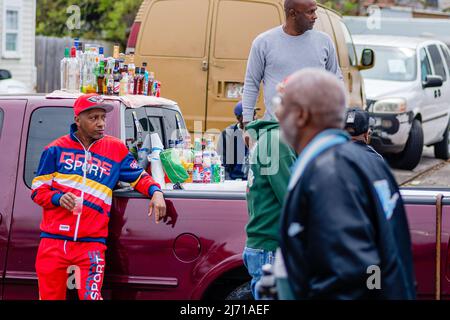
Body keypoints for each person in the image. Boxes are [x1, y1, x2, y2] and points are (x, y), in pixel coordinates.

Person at [275, 68, 416, 299]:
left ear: (301, 115)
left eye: (280, 103)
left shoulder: (330, 173)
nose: (277, 113)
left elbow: (350, 278)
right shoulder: (365, 162)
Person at [31, 93, 166, 300]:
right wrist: (58, 198)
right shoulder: (55, 149)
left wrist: (156, 192)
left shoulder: (116, 149)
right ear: (77, 120)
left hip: (92, 244)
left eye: (103, 117)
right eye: (93, 118)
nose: (101, 123)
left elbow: (139, 177)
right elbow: (38, 192)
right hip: (53, 242)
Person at [242, 0, 343, 126]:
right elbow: (251, 83)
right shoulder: (263, 42)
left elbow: (336, 82)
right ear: (293, 13)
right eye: (310, 12)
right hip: (275, 128)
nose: (315, 16)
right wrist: (247, 123)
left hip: (314, 128)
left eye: (315, 11)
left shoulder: (324, 41)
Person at [243, 118, 296, 300]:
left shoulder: (270, 138)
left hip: (267, 247)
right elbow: (293, 199)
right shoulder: (278, 142)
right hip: (271, 248)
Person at [217, 101, 256, 180]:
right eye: (252, 114)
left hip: (252, 180)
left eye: (255, 113)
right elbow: (222, 163)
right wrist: (228, 182)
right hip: (232, 180)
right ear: (239, 118)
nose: (255, 117)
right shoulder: (227, 134)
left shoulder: (259, 133)